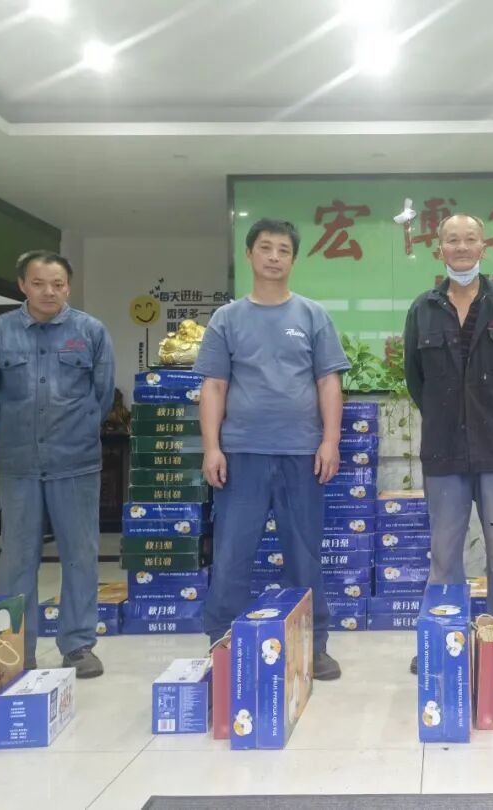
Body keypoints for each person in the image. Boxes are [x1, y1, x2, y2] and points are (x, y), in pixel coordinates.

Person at [195, 218, 349, 681]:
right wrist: (211, 448)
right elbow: (214, 386)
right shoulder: (227, 319)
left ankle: (314, 646)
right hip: (241, 454)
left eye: (284, 250)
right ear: (249, 254)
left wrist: (330, 440)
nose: (275, 257)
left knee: (304, 556)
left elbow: (328, 382)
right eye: (266, 248)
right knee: (232, 555)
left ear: (293, 259)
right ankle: (223, 644)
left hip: (302, 454)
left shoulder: (312, 316)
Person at [0, 250, 115, 677]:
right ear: (22, 285)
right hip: (19, 464)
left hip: (76, 462)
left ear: (68, 286)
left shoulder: (90, 332)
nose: (48, 291)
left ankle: (78, 645)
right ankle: (18, 648)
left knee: (80, 555)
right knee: (17, 559)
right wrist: (19, 433)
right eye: (38, 283)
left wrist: (73, 433)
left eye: (57, 284)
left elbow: (102, 396)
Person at [403, 213, 493, 674]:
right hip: (444, 451)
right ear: (439, 249)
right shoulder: (423, 309)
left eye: (470, 239)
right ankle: (443, 637)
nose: (461, 247)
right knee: (444, 553)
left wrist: (487, 410)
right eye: (452, 240)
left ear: (483, 247)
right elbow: (415, 380)